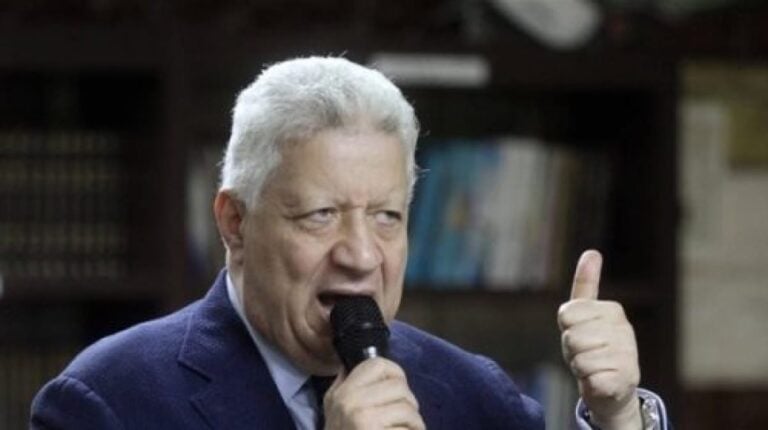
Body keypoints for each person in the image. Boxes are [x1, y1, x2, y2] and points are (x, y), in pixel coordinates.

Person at [31, 56, 669, 429]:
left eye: (387, 216)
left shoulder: (474, 394)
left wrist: (616, 417)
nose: (362, 255)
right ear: (234, 223)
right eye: (321, 215)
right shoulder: (107, 403)